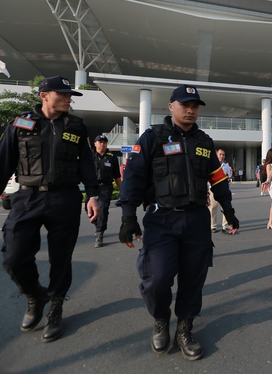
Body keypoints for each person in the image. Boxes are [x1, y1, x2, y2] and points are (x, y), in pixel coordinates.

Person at [117, 84, 239, 360]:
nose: (191, 110)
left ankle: (185, 327)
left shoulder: (205, 142)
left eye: (195, 106)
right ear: (171, 106)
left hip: (196, 219)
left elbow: (218, 179)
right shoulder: (153, 138)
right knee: (156, 278)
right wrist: (128, 217)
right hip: (161, 219)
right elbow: (133, 177)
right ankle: (161, 320)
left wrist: (229, 211)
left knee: (193, 279)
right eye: (185, 104)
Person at [0, 76, 100, 343]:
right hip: (28, 198)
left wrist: (93, 195)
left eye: (70, 95)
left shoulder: (77, 126)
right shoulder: (20, 124)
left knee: (61, 259)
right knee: (13, 257)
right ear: (44, 95)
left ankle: (56, 308)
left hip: (65, 199)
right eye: (63, 94)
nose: (69, 98)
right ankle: (35, 295)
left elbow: (86, 164)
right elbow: (2, 165)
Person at [88, 134, 122, 248]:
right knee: (89, 211)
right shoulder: (89, 155)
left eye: (104, 142)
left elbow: (117, 175)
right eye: (100, 142)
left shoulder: (112, 157)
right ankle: (98, 224)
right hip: (92, 186)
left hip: (106, 186)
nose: (102, 144)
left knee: (103, 208)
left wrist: (121, 189)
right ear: (95, 143)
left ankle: (99, 234)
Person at [209, 148, 236, 234]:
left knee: (225, 207)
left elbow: (229, 177)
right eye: (220, 154)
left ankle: (225, 226)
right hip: (212, 189)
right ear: (216, 155)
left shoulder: (226, 167)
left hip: (224, 190)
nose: (222, 156)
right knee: (213, 207)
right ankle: (213, 225)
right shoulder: (211, 165)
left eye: (223, 155)